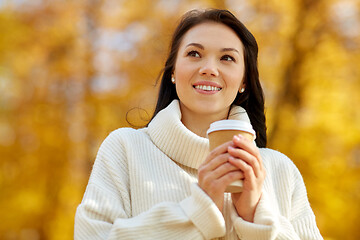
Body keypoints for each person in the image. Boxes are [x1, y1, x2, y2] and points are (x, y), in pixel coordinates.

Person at [74, 9, 323, 240]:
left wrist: (255, 216)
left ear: (244, 81)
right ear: (173, 70)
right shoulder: (125, 149)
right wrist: (196, 212)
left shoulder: (281, 171)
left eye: (227, 58)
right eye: (194, 54)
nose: (209, 69)